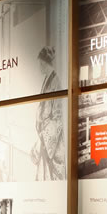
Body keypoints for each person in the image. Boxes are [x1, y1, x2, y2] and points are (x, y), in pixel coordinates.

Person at [31, 47, 65, 180]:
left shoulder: (57, 82)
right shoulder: (47, 79)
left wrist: (43, 137)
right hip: (44, 135)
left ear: (45, 63)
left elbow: (58, 117)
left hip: (52, 138)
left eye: (40, 63)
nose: (39, 67)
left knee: (51, 175)